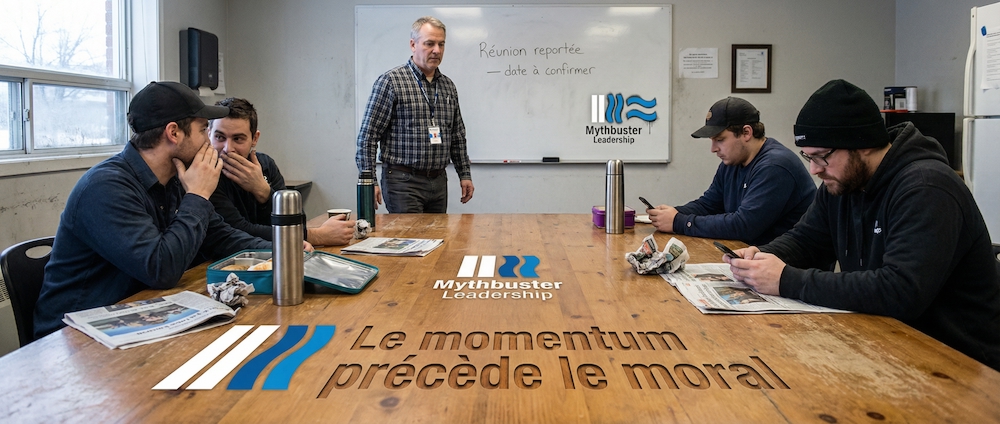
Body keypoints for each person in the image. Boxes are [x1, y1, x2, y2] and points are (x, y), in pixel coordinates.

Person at [725, 79, 1000, 371]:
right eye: (808, 156)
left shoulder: (926, 188)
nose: (814, 170)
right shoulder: (843, 183)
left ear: (863, 145)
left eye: (822, 157)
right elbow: (806, 240)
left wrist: (785, 280)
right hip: (886, 342)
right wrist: (760, 256)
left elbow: (900, 291)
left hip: (959, 363)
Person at [34, 81, 273, 338]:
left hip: (138, 316)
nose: (209, 142)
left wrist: (283, 251)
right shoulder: (106, 187)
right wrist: (198, 195)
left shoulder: (174, 178)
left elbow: (220, 236)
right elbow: (161, 270)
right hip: (75, 337)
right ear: (174, 133)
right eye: (203, 130)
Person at [647, 97, 816, 245]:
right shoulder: (732, 162)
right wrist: (672, 213)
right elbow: (709, 205)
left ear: (746, 132)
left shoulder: (775, 166)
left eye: (720, 140)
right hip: (751, 255)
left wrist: (679, 222)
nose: (713, 149)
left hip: (789, 267)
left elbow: (744, 226)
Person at [356, 16, 474, 213]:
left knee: (437, 241)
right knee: (410, 241)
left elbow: (457, 135)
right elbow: (368, 136)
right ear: (413, 44)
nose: (436, 50)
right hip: (402, 182)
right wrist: (369, 181)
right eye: (430, 43)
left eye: (441, 44)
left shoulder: (447, 86)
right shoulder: (391, 82)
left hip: (438, 181)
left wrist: (465, 174)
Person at [208, 97, 355, 246]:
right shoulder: (206, 174)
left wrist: (263, 191)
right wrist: (315, 236)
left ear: (254, 139)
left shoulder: (266, 164)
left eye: (238, 139)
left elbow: (297, 222)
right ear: (209, 134)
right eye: (219, 137)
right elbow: (236, 232)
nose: (227, 148)